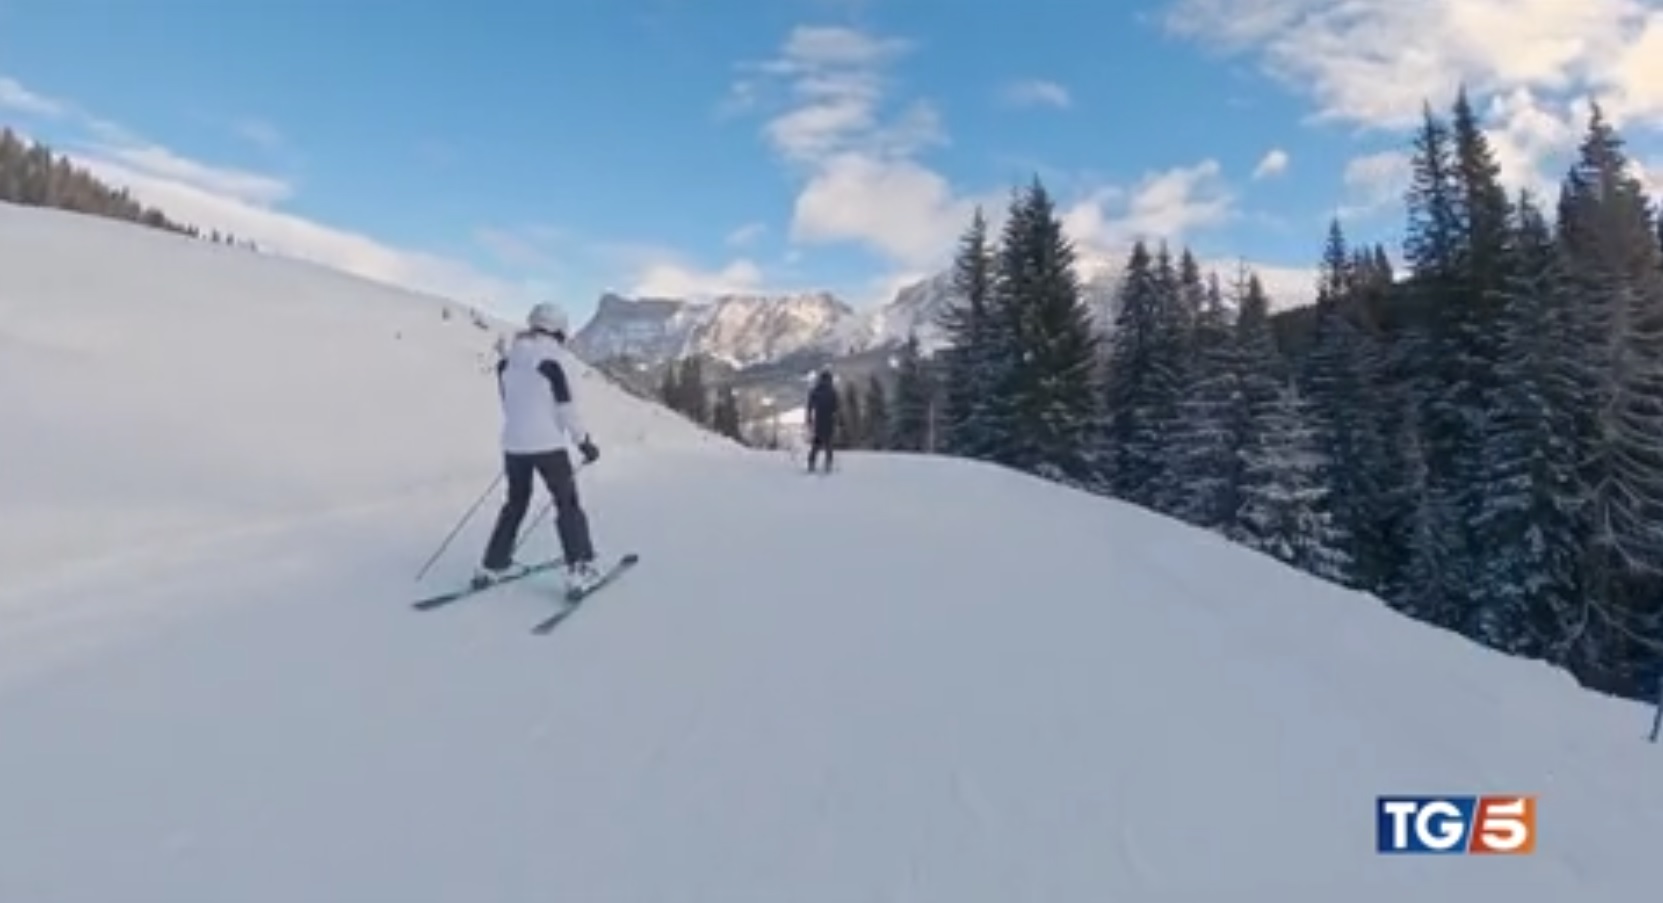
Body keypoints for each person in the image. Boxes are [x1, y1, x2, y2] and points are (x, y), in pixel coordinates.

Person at [473, 301, 603, 594]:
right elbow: (567, 409)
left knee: (515, 503)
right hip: (548, 446)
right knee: (567, 503)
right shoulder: (556, 361)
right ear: (560, 329)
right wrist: (584, 443)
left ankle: (492, 564)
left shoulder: (507, 361)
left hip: (513, 444)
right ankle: (580, 567)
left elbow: (509, 404)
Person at [804, 368, 838, 473]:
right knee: (828, 444)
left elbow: (810, 406)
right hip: (829, 421)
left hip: (818, 421)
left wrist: (809, 418)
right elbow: (836, 407)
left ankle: (811, 463)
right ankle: (828, 464)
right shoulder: (832, 392)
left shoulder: (815, 390)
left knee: (816, 444)